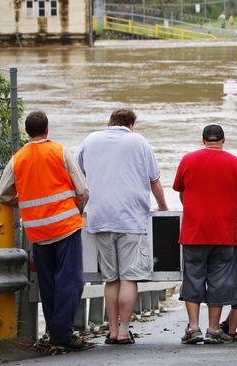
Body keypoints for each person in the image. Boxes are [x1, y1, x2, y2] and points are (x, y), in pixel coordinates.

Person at [0, 111, 88, 350]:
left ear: (27, 132)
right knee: (71, 281)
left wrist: (23, 202)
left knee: (47, 284)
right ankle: (62, 334)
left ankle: (54, 330)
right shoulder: (59, 151)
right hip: (66, 226)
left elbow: (3, 193)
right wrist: (78, 210)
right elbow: (82, 189)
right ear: (47, 129)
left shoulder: (18, 158)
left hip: (37, 232)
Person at [77, 108, 169, 345]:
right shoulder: (138, 142)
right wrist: (163, 206)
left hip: (99, 217)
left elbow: (79, 177)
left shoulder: (90, 140)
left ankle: (112, 330)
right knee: (129, 277)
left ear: (110, 122)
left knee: (111, 279)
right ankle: (125, 331)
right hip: (130, 218)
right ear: (131, 124)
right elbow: (154, 180)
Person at [172, 124, 237, 345]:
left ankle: (193, 327)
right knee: (219, 281)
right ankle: (214, 329)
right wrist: (231, 212)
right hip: (224, 234)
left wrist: (193, 209)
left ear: (203, 140)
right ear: (223, 140)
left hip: (193, 232)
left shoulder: (187, 160)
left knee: (193, 279)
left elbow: (181, 191)